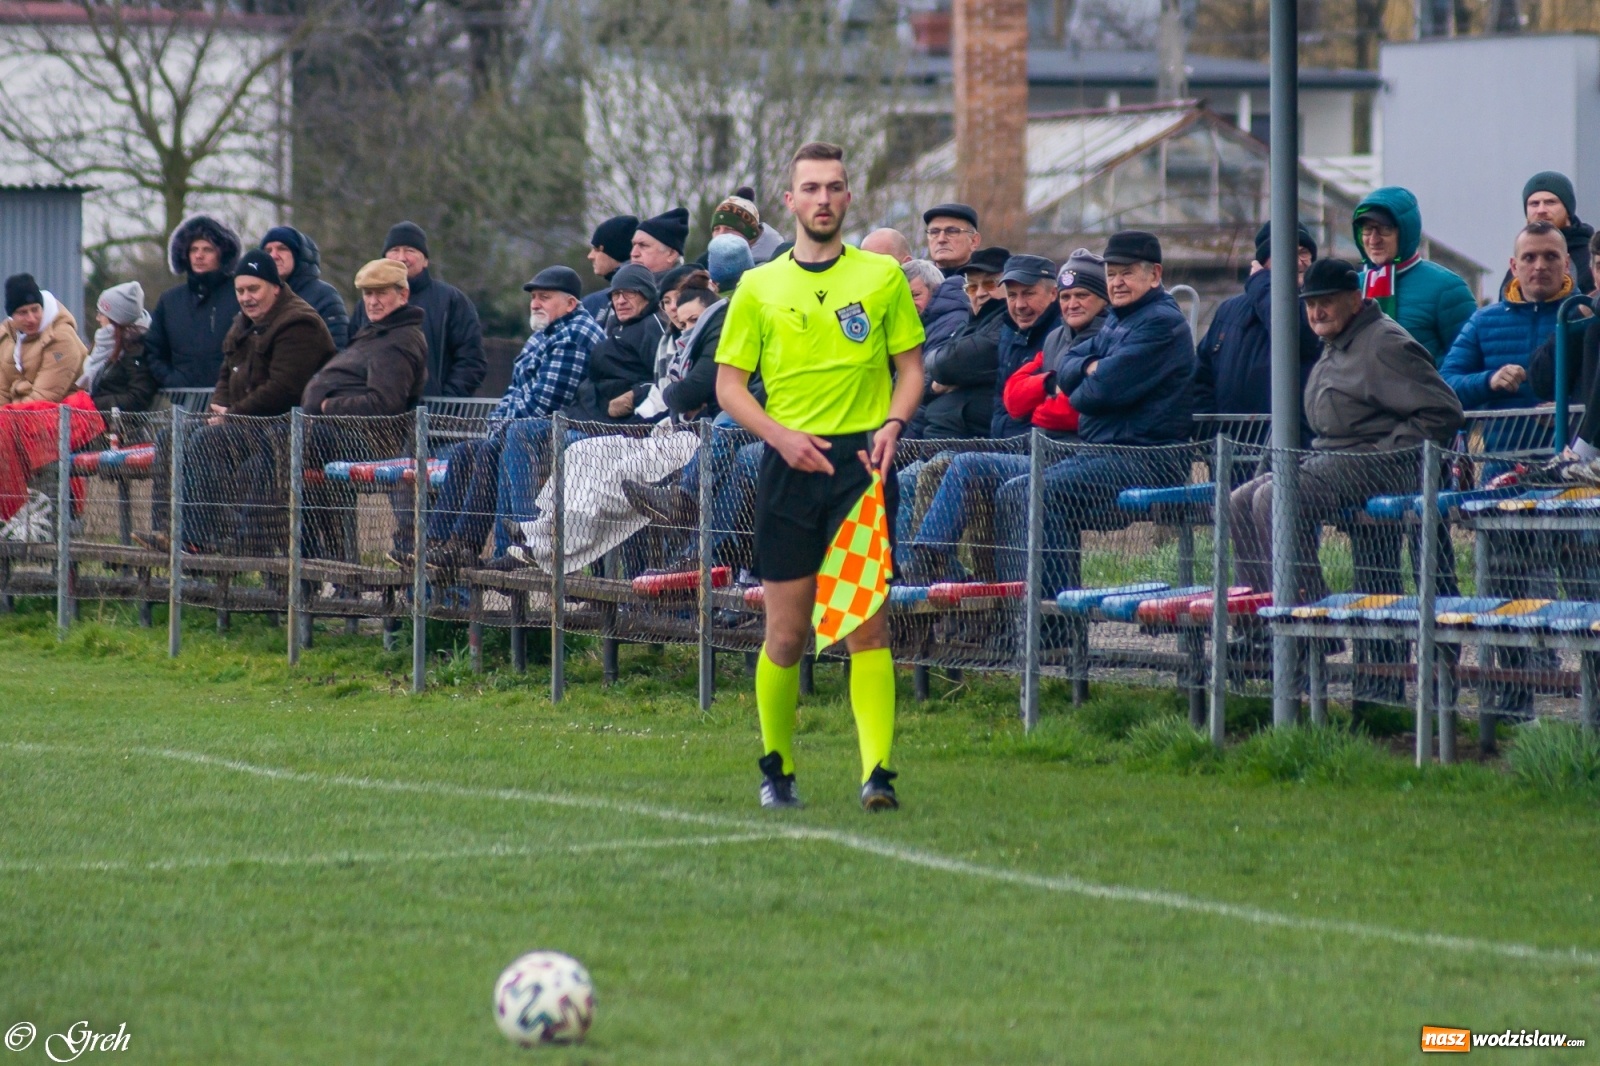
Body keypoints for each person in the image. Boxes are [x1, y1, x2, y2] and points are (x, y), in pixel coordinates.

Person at [715, 141, 925, 812]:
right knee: (787, 633)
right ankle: (776, 770)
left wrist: (893, 424)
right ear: (791, 200)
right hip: (788, 468)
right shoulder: (758, 284)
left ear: (848, 197)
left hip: (861, 470)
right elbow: (729, 387)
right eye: (811, 188)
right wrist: (779, 435)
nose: (824, 199)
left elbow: (912, 369)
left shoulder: (881, 278)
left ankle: (878, 777)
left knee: (866, 627)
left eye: (834, 187)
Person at [1229, 258, 1463, 605]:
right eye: (1310, 304)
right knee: (1240, 500)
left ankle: (1308, 622)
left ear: (1355, 299)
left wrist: (1386, 450)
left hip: (1381, 464)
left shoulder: (1384, 342)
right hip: (1335, 459)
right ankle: (1259, 624)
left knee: (1275, 498)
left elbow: (1444, 411)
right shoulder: (1337, 341)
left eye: (1326, 302)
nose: (1317, 312)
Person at [994, 231, 1197, 597]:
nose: (1117, 282)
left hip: (1147, 457)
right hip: (1104, 452)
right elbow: (1070, 366)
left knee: (1036, 491)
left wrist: (1087, 376)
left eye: (1127, 273)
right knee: (1016, 491)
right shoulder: (1121, 319)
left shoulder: (1160, 323)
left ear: (1154, 275)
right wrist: (1092, 368)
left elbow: (1095, 392)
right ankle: (1030, 622)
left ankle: (1051, 628)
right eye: (1112, 273)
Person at [143, 251, 336, 554]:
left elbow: (284, 388)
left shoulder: (299, 324)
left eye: (253, 289)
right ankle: (166, 530)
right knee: (170, 436)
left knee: (209, 440)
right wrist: (220, 407)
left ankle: (198, 538)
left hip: (283, 427)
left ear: (274, 286)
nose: (246, 298)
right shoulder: (242, 323)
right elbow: (225, 375)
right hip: (245, 419)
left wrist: (232, 414)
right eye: (240, 291)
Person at [417, 266, 605, 570]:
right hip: (527, 430)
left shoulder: (576, 334)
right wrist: (497, 426)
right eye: (533, 297)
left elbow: (547, 401)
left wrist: (500, 430)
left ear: (570, 303)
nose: (535, 303)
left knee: (495, 447)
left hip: (565, 430)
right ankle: (441, 544)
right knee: (467, 452)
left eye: (545, 297)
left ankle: (497, 547)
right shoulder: (543, 334)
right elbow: (513, 394)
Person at [300, 259, 429, 560]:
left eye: (381, 293)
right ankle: (311, 562)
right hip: (337, 437)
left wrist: (327, 405)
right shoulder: (375, 333)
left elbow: (384, 404)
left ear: (403, 295)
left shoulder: (399, 340)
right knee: (281, 454)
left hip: (368, 443)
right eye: (368, 294)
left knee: (286, 455)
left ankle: (316, 562)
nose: (373, 301)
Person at [1442, 222, 1572, 457]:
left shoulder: (1586, 315)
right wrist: (1489, 381)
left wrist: (1568, 411)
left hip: (1575, 473)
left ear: (1567, 263)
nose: (1540, 266)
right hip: (1501, 469)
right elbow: (1444, 387)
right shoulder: (1483, 321)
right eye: (1529, 257)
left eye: (1550, 256)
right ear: (1514, 266)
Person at [1193, 221, 1321, 438]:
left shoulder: (1317, 306)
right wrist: (1213, 438)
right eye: (1287, 253)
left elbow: (1294, 330)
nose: (1298, 262)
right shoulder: (1228, 311)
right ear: (1263, 262)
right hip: (1233, 459)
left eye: (1304, 252)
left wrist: (1261, 282)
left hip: (1295, 455)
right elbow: (1200, 379)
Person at [0, 273, 97, 531]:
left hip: (62, 417)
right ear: (12, 314)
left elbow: (45, 396)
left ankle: (17, 511)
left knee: (5, 425)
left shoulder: (61, 338)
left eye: (35, 309)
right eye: (22, 312)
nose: (31, 318)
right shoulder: (5, 340)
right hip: (17, 418)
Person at [348, 221, 485, 398]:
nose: (401, 257)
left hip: (434, 419)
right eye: (395, 250)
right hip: (376, 417)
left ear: (426, 260)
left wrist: (445, 404)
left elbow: (472, 361)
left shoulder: (452, 301)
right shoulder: (366, 305)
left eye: (410, 251)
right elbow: (349, 354)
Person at [1352, 187, 1477, 367]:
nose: (1373, 239)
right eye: (1367, 229)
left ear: (1406, 231)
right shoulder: (1353, 286)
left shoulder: (1447, 287)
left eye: (1384, 229)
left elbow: (1468, 361)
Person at [1001, 249, 1112, 440]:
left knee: (966, 463)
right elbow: (1013, 398)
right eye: (1066, 297)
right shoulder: (1055, 338)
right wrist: (1050, 384)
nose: (1072, 304)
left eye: (1082, 295)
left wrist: (1036, 410)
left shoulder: (1113, 338)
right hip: (1045, 453)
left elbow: (1074, 412)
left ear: (1104, 298)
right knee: (965, 462)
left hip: (1087, 456)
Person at [912, 244, 1009, 440]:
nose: (980, 293)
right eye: (972, 287)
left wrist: (940, 370)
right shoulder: (970, 322)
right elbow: (918, 379)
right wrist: (934, 385)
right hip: (937, 439)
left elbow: (951, 363)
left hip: (971, 446)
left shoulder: (1008, 323)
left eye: (990, 284)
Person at [144, 214, 242, 389]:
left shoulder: (240, 295)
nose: (199, 256)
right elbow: (153, 351)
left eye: (208, 249)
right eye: (193, 249)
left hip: (233, 403)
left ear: (223, 254)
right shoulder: (170, 301)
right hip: (184, 405)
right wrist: (173, 381)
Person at [562, 264, 668, 424]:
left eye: (630, 293)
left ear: (647, 294)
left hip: (623, 427)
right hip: (587, 417)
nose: (620, 301)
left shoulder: (652, 326)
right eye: (616, 294)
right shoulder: (617, 326)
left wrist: (633, 396)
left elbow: (666, 380)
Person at [990, 254, 1062, 439]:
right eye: (1012, 295)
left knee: (964, 463)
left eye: (1028, 293)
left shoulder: (1063, 335)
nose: (1020, 305)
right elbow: (1000, 400)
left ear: (1053, 293)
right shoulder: (1009, 331)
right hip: (1005, 446)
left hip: (1043, 453)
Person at [1500, 171, 1594, 297]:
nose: (1541, 210)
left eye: (1550, 202)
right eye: (1534, 204)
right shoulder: (1515, 272)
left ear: (1568, 209)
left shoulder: (1590, 258)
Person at [259, 226, 350, 349]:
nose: (274, 255)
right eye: (268, 251)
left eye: (282, 248)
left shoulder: (324, 296)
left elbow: (338, 350)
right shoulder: (256, 297)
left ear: (298, 255)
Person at [85, 282, 158, 416]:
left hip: (121, 430)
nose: (97, 318)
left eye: (101, 313)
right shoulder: (107, 345)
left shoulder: (137, 351)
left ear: (115, 318)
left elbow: (138, 398)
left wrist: (93, 404)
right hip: (102, 422)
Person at [583, 215, 639, 319]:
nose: (590, 256)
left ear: (615, 251)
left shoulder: (592, 304)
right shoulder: (592, 302)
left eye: (597, 249)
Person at [710, 192, 785, 265]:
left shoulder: (777, 262)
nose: (721, 234)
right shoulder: (710, 260)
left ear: (749, 234)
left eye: (729, 229)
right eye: (717, 229)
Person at [631, 209, 689, 275]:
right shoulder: (624, 281)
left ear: (671, 254)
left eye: (643, 245)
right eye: (633, 245)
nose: (633, 253)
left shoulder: (689, 284)